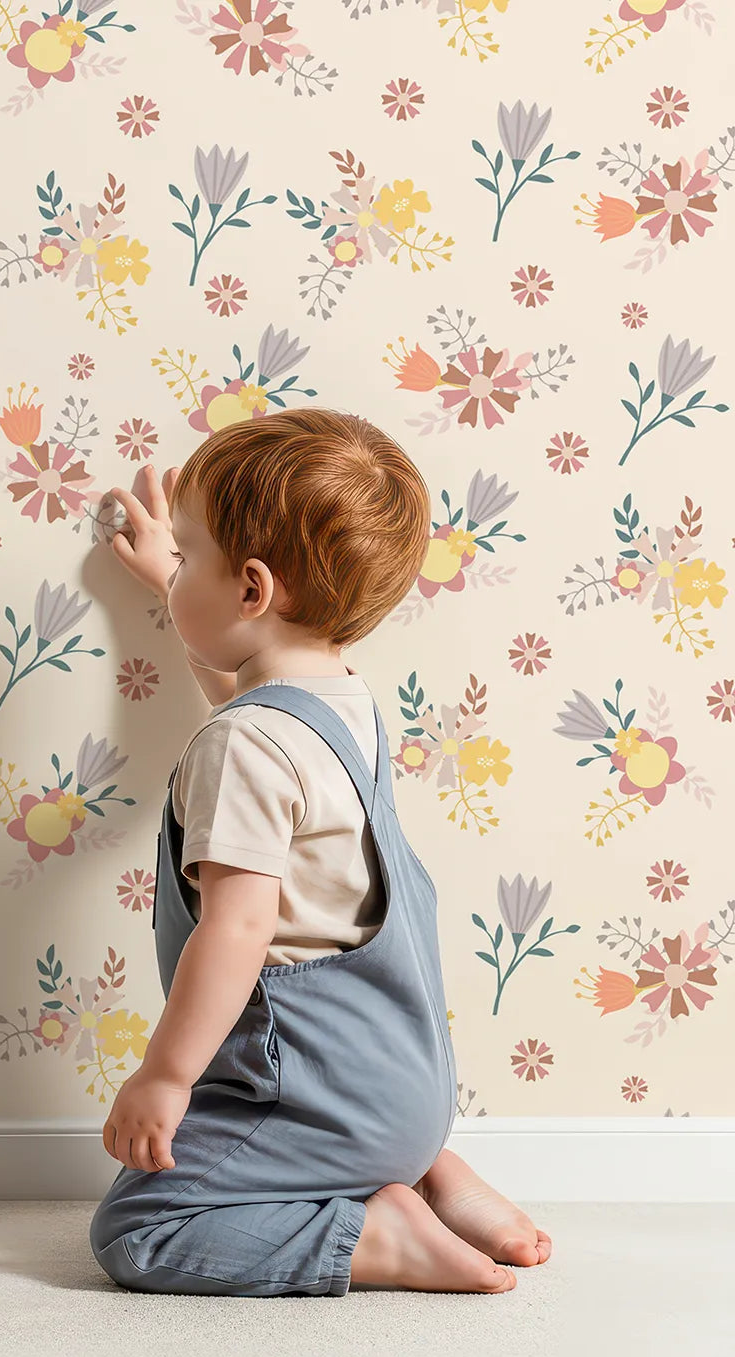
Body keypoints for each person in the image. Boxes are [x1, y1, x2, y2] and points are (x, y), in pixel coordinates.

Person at [88, 409, 551, 1296]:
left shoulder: (246, 746)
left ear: (253, 591)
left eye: (186, 559)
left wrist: (164, 1074)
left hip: (313, 1102)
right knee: (326, 1138)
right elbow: (242, 690)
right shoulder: (341, 707)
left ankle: (379, 1234)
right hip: (402, 1085)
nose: (173, 570)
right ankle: (433, 1174)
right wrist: (176, 585)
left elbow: (238, 928)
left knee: (139, 1227)